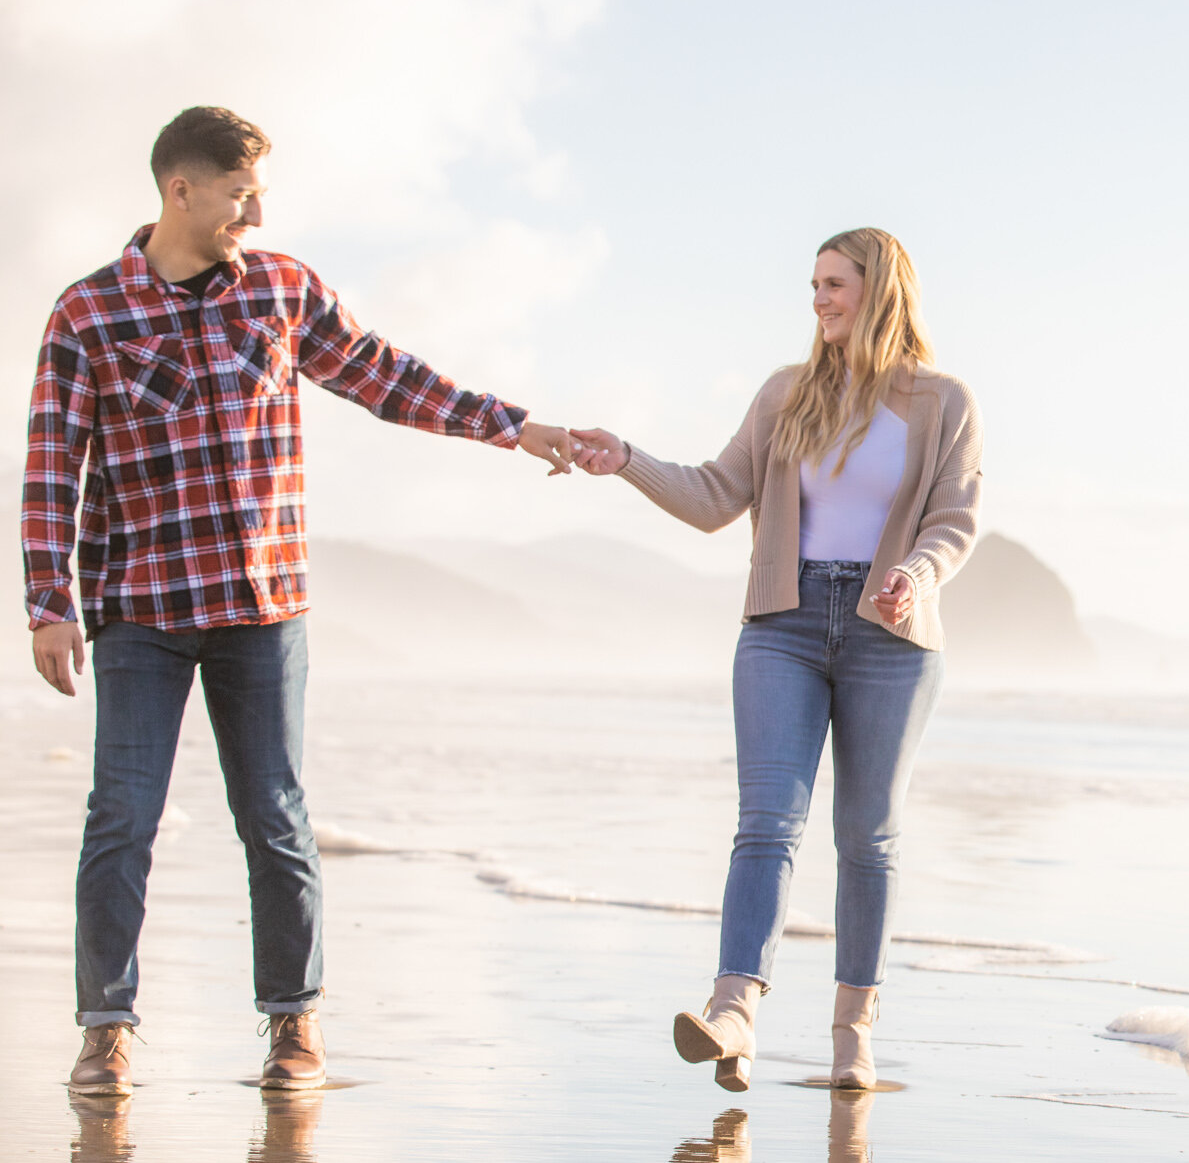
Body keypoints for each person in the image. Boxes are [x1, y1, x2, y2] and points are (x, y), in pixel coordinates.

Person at [22, 106, 579, 1096]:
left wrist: (514, 426)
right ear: (179, 189)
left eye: (260, 191)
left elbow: (385, 379)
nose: (257, 208)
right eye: (240, 192)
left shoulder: (282, 290)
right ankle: (106, 1029)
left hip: (263, 604)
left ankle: (293, 1028)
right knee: (122, 820)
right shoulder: (88, 312)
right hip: (139, 609)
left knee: (274, 817)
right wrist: (47, 601)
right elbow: (50, 466)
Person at [568, 227, 981, 1092]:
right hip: (782, 624)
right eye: (815, 285)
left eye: (835, 283)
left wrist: (914, 570)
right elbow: (717, 494)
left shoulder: (945, 401)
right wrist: (629, 461)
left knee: (867, 837)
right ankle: (733, 1010)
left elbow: (954, 519)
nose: (821, 298)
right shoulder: (786, 393)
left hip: (893, 636)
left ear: (880, 288)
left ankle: (852, 1031)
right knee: (767, 824)